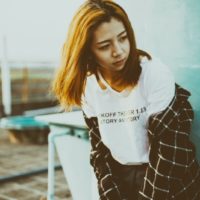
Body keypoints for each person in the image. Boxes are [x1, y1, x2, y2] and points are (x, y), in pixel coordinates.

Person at [52, 0, 200, 199]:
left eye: (123, 38)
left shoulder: (153, 74)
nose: (119, 50)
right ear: (87, 51)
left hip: (168, 177)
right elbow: (100, 152)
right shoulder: (89, 86)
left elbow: (170, 151)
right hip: (122, 177)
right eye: (105, 46)